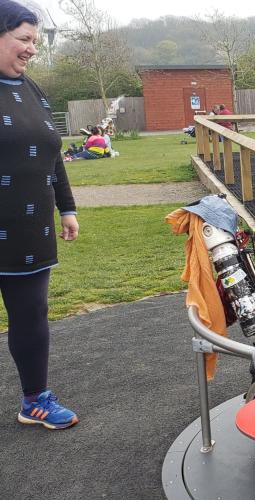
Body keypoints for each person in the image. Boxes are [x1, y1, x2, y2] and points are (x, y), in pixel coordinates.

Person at [0, 0, 80, 430]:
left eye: (34, 40)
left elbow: (54, 156)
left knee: (31, 314)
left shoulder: (33, 90)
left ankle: (35, 400)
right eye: (23, 39)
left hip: (29, 229)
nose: (32, 49)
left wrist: (66, 207)